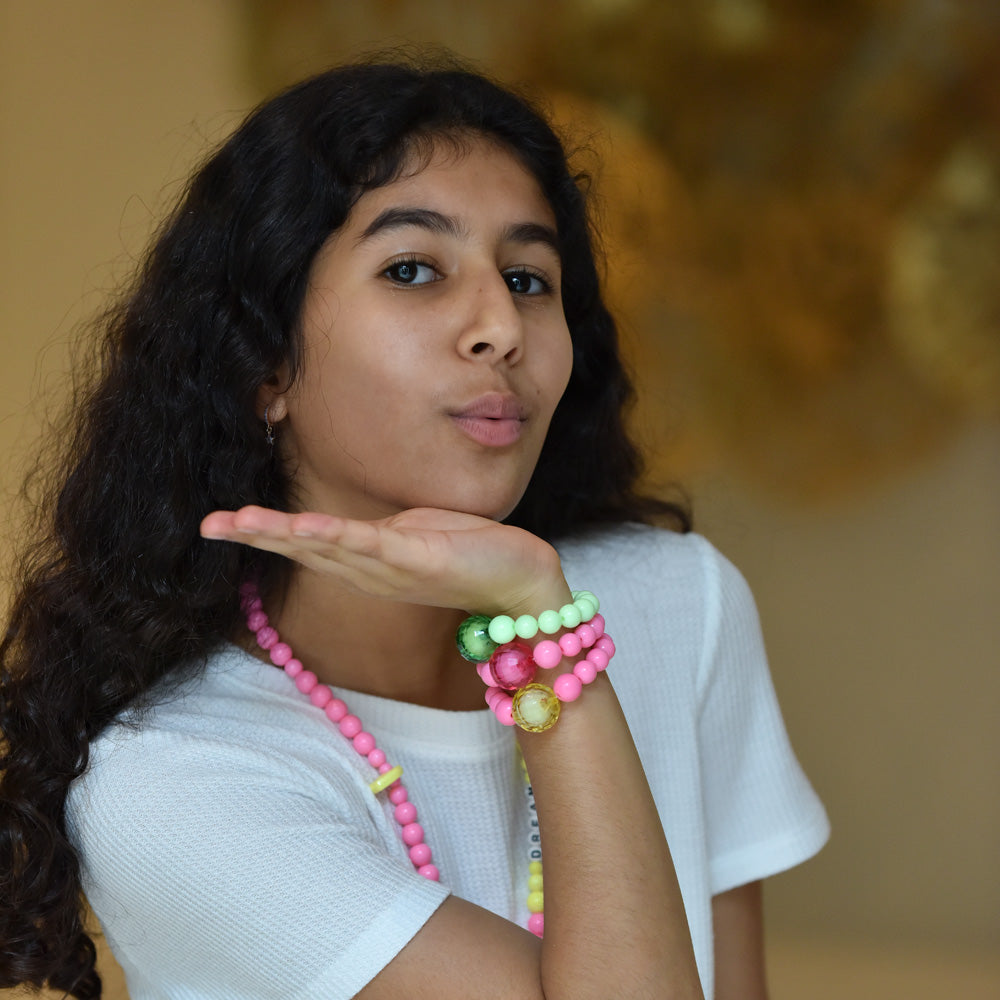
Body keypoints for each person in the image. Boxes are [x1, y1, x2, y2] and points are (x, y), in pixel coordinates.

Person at [0, 56, 829, 1000]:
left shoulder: (679, 604)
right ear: (264, 363)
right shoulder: (171, 776)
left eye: (529, 278)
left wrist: (541, 621)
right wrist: (541, 635)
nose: (500, 327)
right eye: (412, 270)